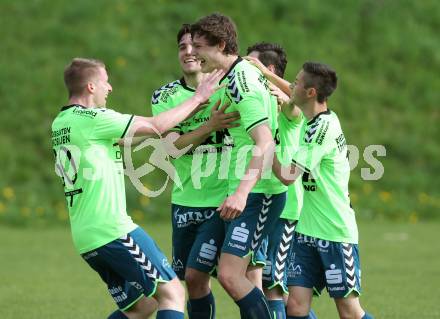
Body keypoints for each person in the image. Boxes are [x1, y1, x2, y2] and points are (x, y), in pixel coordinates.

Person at [51, 57, 224, 319]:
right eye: (105, 82)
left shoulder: (62, 122)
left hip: (86, 236)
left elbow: (134, 137)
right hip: (112, 230)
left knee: (142, 307)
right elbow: (155, 126)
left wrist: (204, 121)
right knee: (172, 293)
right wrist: (199, 97)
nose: (110, 88)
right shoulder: (94, 119)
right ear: (91, 87)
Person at [191, 14, 288, 319]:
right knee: (211, 273)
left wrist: (242, 193)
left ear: (220, 44)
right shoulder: (233, 76)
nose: (193, 54)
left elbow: (265, 142)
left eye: (198, 46)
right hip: (244, 189)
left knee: (232, 276)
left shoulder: (242, 80)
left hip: (258, 192)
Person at [270, 62, 373, 319]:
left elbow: (286, 176)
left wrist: (264, 146)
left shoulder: (321, 129)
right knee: (295, 307)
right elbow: (290, 96)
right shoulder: (312, 116)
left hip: (335, 233)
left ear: (311, 92)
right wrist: (262, 70)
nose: (291, 85)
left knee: (349, 311)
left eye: (296, 82)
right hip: (306, 233)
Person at [150, 24, 239, 319]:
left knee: (248, 278)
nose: (188, 52)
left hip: (229, 201)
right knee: (194, 281)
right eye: (182, 47)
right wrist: (209, 126)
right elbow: (171, 148)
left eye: (194, 46)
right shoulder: (164, 97)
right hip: (187, 200)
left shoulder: (232, 87)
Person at [245, 46, 318, 319]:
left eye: (248, 62)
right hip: (261, 200)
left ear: (269, 70)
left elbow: (297, 102)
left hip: (285, 207)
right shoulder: (257, 102)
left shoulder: (288, 105)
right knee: (269, 285)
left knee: (273, 286)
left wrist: (264, 75)